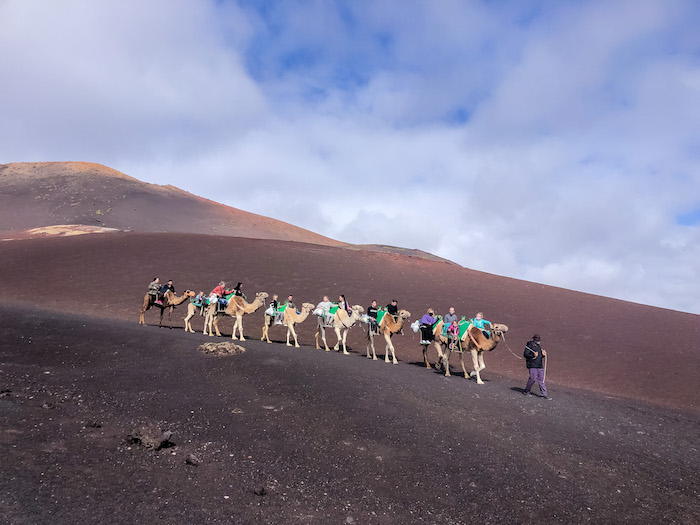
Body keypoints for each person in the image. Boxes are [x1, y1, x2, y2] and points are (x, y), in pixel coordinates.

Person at [523, 334, 550, 399]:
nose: (538, 341)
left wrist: (543, 355)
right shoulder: (529, 346)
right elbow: (525, 354)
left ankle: (544, 394)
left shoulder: (539, 347)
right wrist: (533, 355)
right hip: (532, 365)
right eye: (537, 340)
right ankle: (527, 391)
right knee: (532, 378)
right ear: (534, 339)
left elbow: (539, 357)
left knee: (541, 379)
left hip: (539, 365)